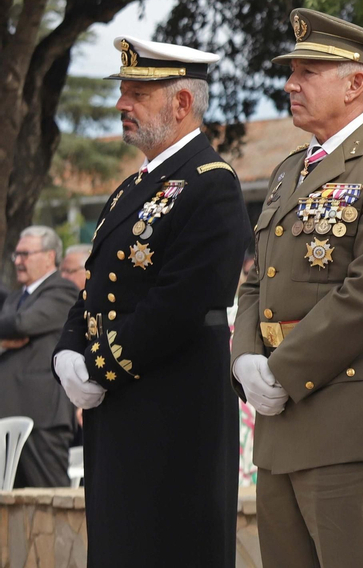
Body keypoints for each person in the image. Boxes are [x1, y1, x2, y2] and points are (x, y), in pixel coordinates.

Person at [232, 9, 363, 568]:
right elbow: (255, 281)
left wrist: (283, 369)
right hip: (280, 420)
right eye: (291, 70)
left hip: (351, 421)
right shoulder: (288, 170)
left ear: (357, 84)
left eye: (308, 71)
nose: (290, 84)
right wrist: (245, 357)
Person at [53, 37, 249, 566]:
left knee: (168, 544)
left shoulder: (212, 185)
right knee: (120, 545)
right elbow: (94, 286)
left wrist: (98, 365)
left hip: (174, 409)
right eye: (124, 92)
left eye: (137, 93)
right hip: (119, 406)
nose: (122, 104)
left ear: (181, 104)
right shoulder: (128, 191)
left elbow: (183, 301)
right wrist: (68, 351)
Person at [0, 226, 78, 487]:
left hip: (42, 418)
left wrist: (12, 331)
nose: (18, 261)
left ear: (49, 256)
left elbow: (23, 325)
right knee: (12, 507)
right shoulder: (15, 298)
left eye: (25, 254)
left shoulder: (62, 290)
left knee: (51, 500)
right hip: (10, 415)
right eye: (16, 255)